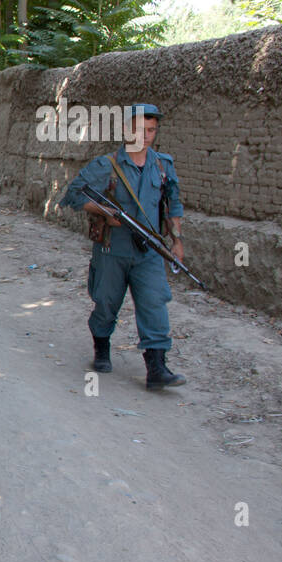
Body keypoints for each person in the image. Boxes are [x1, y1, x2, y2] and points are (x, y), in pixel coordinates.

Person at [59, 103, 186, 390]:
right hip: (111, 249)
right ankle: (101, 347)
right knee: (106, 303)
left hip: (149, 250)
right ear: (127, 129)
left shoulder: (162, 165)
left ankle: (157, 368)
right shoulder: (107, 165)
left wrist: (177, 240)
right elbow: (73, 196)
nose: (147, 136)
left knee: (155, 303)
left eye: (152, 130)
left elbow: (172, 205)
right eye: (141, 129)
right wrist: (105, 212)